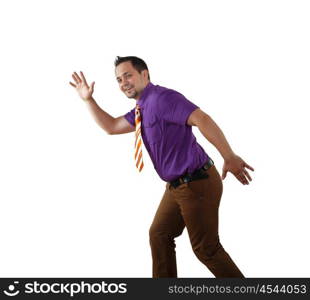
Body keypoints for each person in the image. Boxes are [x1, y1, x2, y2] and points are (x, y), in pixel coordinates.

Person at [69, 56, 254, 278]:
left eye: (128, 75)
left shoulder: (162, 99)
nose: (123, 82)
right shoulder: (142, 108)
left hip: (196, 182)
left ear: (144, 74)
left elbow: (202, 119)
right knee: (159, 234)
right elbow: (111, 126)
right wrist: (88, 100)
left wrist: (229, 155)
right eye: (119, 79)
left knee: (207, 249)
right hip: (176, 186)